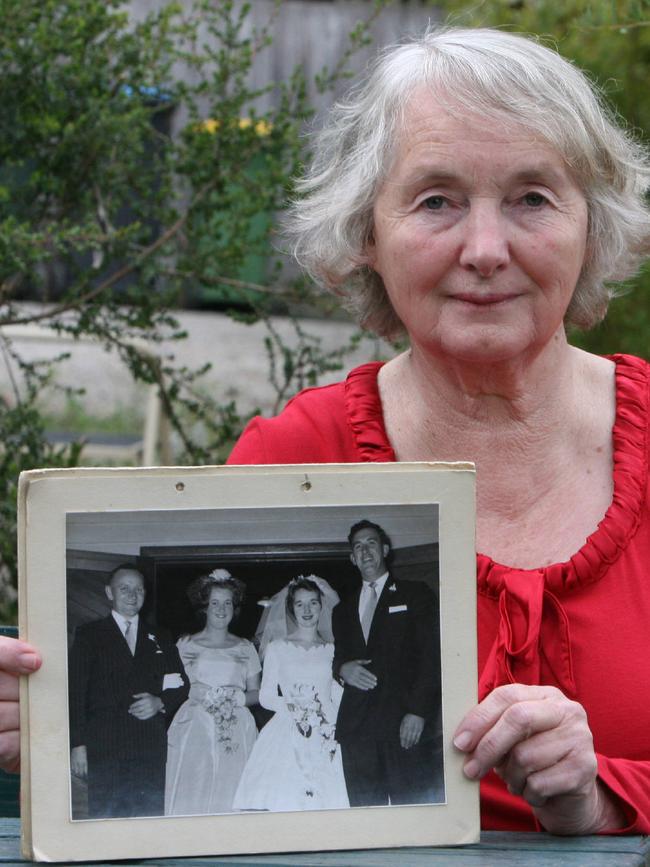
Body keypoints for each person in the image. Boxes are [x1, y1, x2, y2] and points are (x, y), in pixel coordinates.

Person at [2, 26, 650, 836]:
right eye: (437, 200)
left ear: (593, 224)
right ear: (366, 234)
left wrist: (603, 794)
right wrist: (56, 718)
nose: (485, 249)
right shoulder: (291, 455)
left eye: (532, 198)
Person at [332, 520, 442, 807]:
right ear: (352, 559)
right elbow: (339, 657)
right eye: (358, 546)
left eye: (370, 543)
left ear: (384, 549)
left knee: (412, 809)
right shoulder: (341, 609)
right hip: (356, 730)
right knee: (366, 816)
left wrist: (418, 712)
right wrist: (343, 669)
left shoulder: (415, 593)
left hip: (402, 725)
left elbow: (432, 657)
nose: (364, 551)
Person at [68, 565, 189, 818]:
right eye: (124, 589)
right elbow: (76, 692)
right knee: (106, 818)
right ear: (109, 593)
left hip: (148, 745)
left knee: (147, 819)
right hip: (105, 746)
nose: (132, 595)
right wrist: (78, 744)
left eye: (139, 589)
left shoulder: (160, 636)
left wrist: (160, 702)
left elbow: (182, 684)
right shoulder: (89, 635)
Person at [233, 576, 349, 812]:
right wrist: (300, 708)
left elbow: (334, 692)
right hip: (287, 727)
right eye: (299, 604)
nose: (307, 610)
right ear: (291, 609)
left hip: (326, 727)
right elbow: (265, 697)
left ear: (321, 606)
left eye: (313, 603)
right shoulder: (278, 648)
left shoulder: (333, 650)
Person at [165, 569, 261, 816]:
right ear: (204, 607)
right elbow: (172, 690)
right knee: (195, 789)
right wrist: (195, 693)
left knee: (232, 790)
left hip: (236, 726)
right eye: (215, 603)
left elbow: (257, 693)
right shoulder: (185, 645)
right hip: (195, 727)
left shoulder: (245, 647)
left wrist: (235, 699)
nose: (221, 609)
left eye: (227, 602)